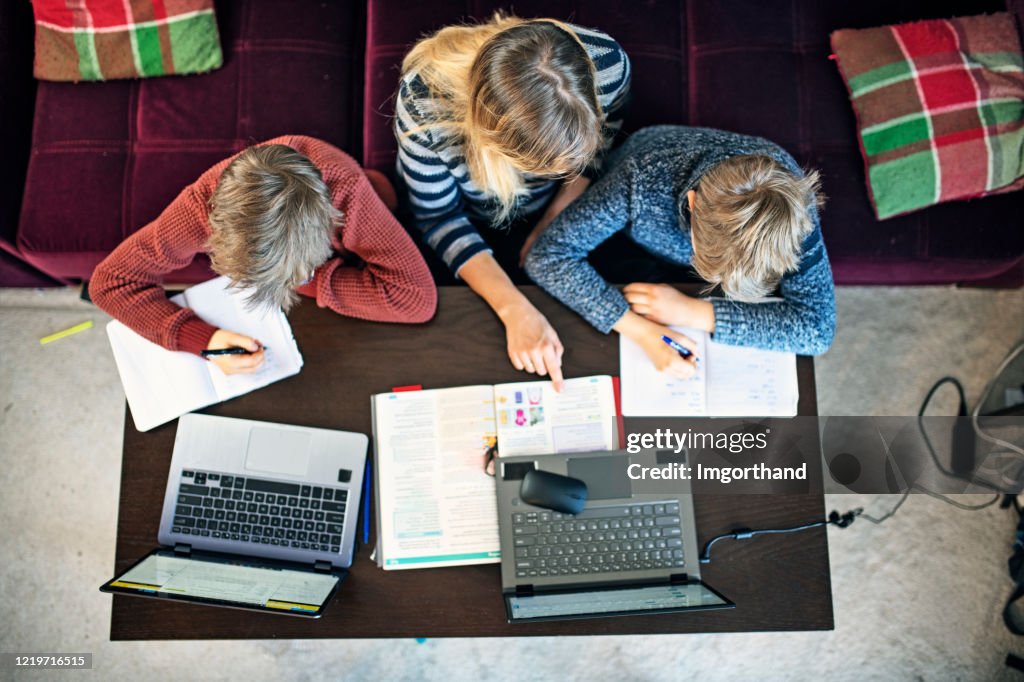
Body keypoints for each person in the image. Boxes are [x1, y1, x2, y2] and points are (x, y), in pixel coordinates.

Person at [394, 13, 631, 389]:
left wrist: (552, 221)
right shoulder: (424, 107)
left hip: (564, 209)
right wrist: (513, 308)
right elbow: (437, 217)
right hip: (470, 224)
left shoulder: (607, 63)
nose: (555, 173)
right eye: (539, 167)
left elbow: (601, 152)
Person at [91, 136, 437, 375]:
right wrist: (204, 340)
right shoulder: (200, 210)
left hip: (365, 222)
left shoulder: (345, 190)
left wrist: (308, 281)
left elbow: (415, 300)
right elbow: (110, 282)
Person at [525, 125, 836, 378]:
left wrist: (692, 312)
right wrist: (643, 332)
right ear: (692, 202)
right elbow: (546, 256)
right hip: (638, 231)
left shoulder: (795, 213)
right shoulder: (641, 178)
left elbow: (817, 330)